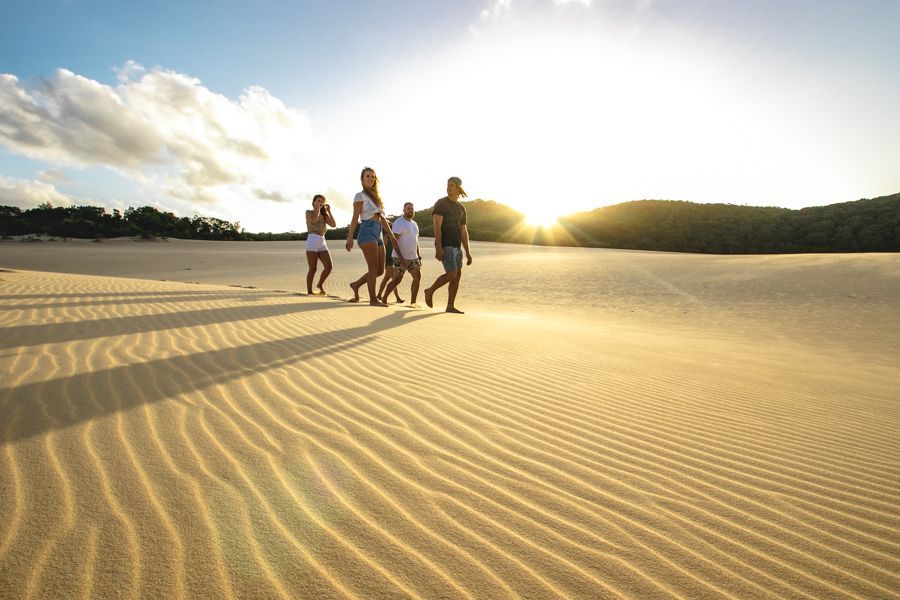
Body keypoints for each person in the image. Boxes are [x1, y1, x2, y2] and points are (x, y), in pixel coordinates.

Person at [345, 167, 406, 306]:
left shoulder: (376, 199)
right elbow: (355, 217)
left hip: (378, 233)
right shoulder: (359, 196)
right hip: (366, 232)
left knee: (379, 270)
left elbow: (382, 219)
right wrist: (350, 237)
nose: (371, 178)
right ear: (362, 180)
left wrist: (391, 237)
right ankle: (373, 300)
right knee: (373, 269)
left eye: (373, 176)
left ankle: (356, 285)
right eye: (368, 176)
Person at [423, 177, 472, 314]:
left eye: (452, 185)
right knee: (451, 274)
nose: (448, 187)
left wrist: (467, 251)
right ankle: (430, 291)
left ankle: (450, 305)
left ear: (458, 189)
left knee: (457, 276)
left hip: (457, 247)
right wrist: (438, 246)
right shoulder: (441, 203)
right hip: (446, 245)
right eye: (448, 185)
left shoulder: (461, 208)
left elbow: (463, 231)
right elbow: (437, 226)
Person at [381, 202, 422, 307]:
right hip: (400, 257)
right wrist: (400, 258)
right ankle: (384, 298)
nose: (410, 210)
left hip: (413, 257)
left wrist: (419, 255)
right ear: (403, 210)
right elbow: (394, 241)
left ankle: (413, 302)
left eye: (412, 209)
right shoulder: (399, 222)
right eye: (408, 208)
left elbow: (415, 240)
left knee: (417, 277)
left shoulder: (415, 224)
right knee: (397, 280)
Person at [305, 194, 336, 295]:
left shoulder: (324, 215)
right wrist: (318, 209)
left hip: (322, 241)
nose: (320, 203)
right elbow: (313, 220)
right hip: (312, 240)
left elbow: (333, 224)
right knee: (313, 268)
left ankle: (319, 284)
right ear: (313, 202)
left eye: (322, 202)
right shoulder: (309, 212)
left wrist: (329, 211)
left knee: (329, 266)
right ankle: (309, 291)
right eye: (318, 201)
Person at [376, 235, 404, 304]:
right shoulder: (385, 238)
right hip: (387, 261)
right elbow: (380, 249)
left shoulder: (393, 238)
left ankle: (379, 295)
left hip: (392, 261)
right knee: (394, 279)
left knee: (386, 279)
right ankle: (397, 298)